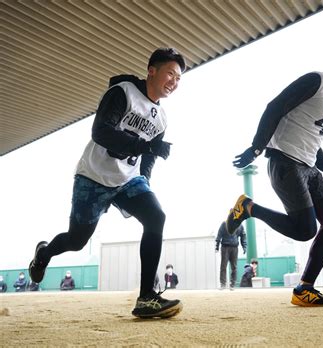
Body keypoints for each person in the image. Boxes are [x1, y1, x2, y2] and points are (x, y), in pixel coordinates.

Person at [28, 48, 186, 318]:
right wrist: (145, 146)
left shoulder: (161, 118)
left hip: (128, 181)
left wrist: (144, 182)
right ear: (152, 71)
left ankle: (146, 298)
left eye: (179, 78)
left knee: (156, 216)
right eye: (170, 73)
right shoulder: (122, 92)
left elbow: (147, 159)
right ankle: (44, 254)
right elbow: (101, 132)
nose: (174, 81)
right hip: (93, 176)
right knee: (77, 240)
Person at [226, 46, 323, 306]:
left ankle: (305, 288)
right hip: (285, 161)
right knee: (306, 229)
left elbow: (312, 142)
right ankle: (249, 208)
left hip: (309, 167)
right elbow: (275, 107)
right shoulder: (316, 80)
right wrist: (257, 146)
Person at [216, 221, 247, 290]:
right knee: (223, 266)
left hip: (234, 248)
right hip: (225, 247)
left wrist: (244, 246)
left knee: (234, 267)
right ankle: (223, 284)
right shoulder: (224, 224)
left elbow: (243, 236)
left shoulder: (240, 225)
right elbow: (219, 234)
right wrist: (217, 246)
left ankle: (232, 285)